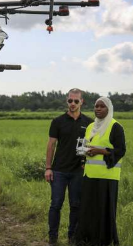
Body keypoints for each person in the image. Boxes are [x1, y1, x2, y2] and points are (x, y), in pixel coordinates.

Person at [74, 97, 126, 246]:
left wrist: (100, 151)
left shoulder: (115, 127)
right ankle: (87, 239)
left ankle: (103, 240)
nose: (98, 109)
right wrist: (85, 151)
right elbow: (83, 146)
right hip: (90, 175)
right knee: (88, 209)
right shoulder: (91, 127)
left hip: (107, 177)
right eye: (96, 106)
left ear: (108, 109)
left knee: (104, 211)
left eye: (102, 106)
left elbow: (121, 150)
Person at [45, 88, 93, 246]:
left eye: (76, 101)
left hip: (78, 171)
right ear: (67, 101)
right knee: (56, 204)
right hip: (59, 170)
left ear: (82, 102)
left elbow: (93, 146)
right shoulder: (58, 121)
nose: (72, 104)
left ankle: (72, 237)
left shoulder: (89, 123)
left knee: (76, 205)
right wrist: (48, 168)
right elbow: (51, 145)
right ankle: (53, 237)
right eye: (70, 101)